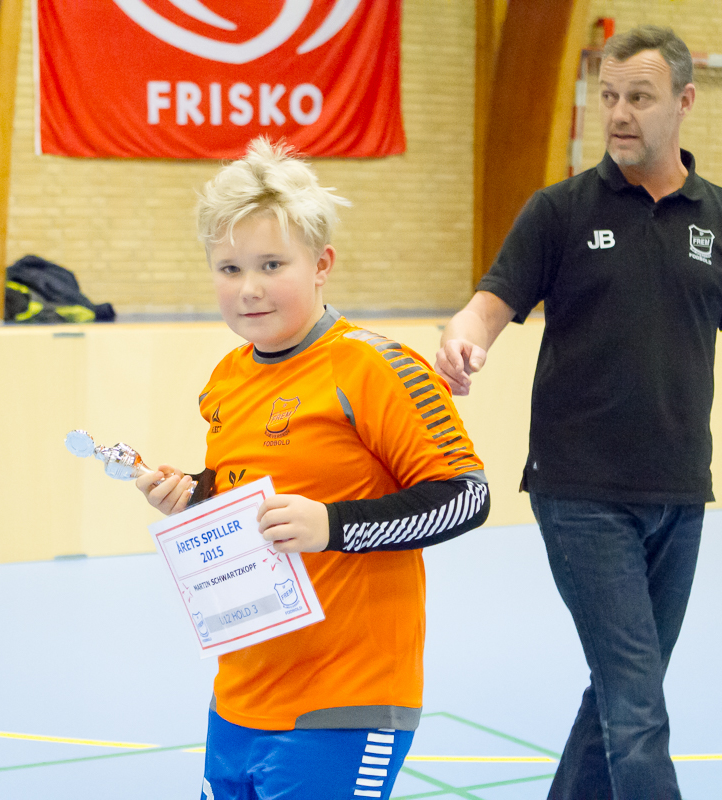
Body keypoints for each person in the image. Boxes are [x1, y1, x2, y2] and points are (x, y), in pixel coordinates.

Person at [435, 26, 722, 800]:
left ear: (684, 102)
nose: (620, 113)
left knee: (621, 692)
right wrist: (463, 339)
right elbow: (489, 304)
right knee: (638, 709)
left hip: (679, 496)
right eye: (608, 96)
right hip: (580, 494)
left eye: (639, 97)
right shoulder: (560, 211)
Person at [137, 138, 491, 800]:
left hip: (346, 701)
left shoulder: (376, 368)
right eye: (229, 268)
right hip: (239, 698)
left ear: (322, 264)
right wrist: (194, 496)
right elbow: (253, 493)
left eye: (271, 264)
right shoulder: (227, 378)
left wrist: (333, 525)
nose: (248, 288)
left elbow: (466, 496)